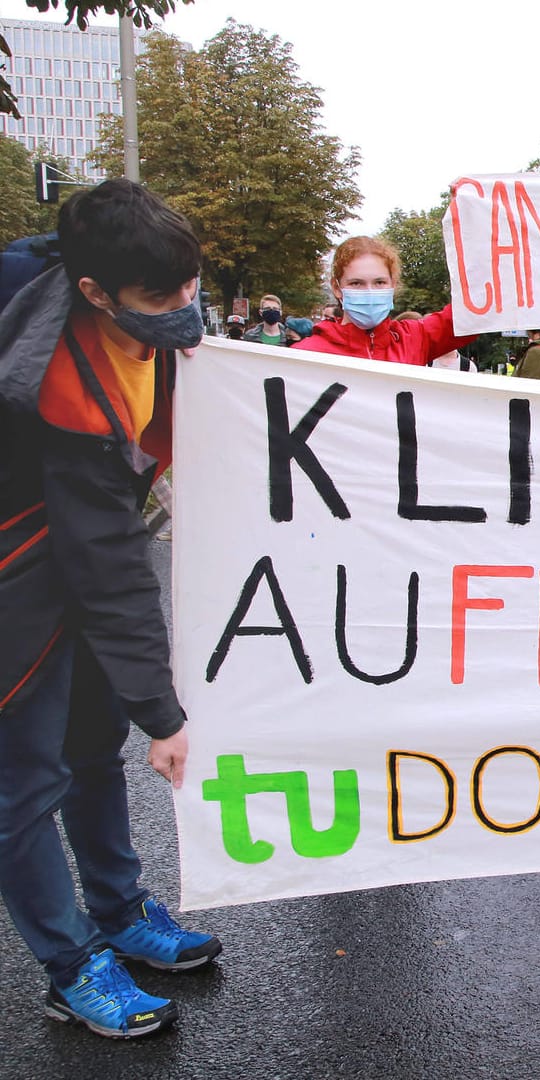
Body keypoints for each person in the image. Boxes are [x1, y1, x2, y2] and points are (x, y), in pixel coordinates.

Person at [0, 178, 223, 1040]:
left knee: (92, 749)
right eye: (160, 299)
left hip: (71, 548)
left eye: (190, 286)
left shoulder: (130, 311)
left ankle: (121, 910)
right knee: (24, 785)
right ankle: (71, 963)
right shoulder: (59, 383)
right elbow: (111, 568)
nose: (182, 309)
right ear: (93, 293)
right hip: (19, 583)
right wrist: (161, 714)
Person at [294, 237, 475, 365]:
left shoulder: (414, 339)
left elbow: (475, 312)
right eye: (356, 283)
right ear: (336, 287)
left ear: (393, 284)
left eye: (379, 282)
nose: (370, 292)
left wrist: (470, 214)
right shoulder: (306, 356)